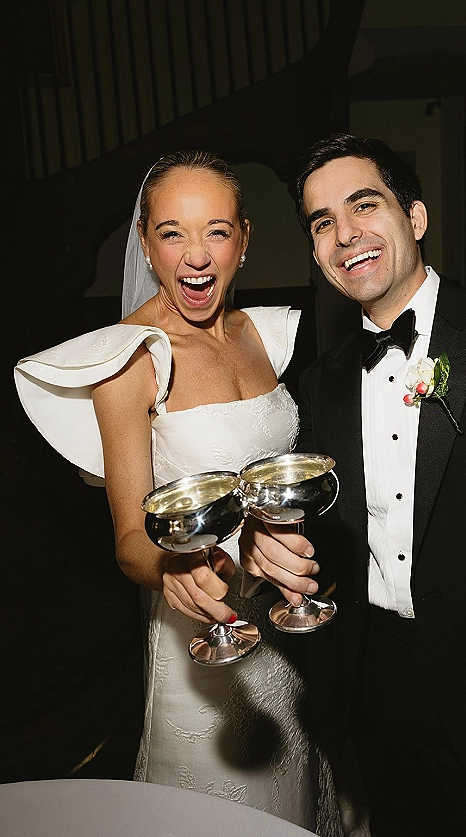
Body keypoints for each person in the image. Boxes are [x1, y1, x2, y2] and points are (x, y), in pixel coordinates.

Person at [239, 133, 466, 836]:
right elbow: (322, 538)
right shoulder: (322, 384)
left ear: (415, 218)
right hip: (381, 706)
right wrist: (263, 551)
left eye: (364, 205)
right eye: (321, 222)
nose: (344, 235)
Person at [14, 150, 342, 835]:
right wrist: (176, 568)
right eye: (172, 232)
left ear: (245, 240)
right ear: (143, 241)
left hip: (284, 632)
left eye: (216, 230)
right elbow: (131, 542)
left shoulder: (262, 336)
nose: (196, 256)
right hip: (205, 648)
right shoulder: (130, 361)